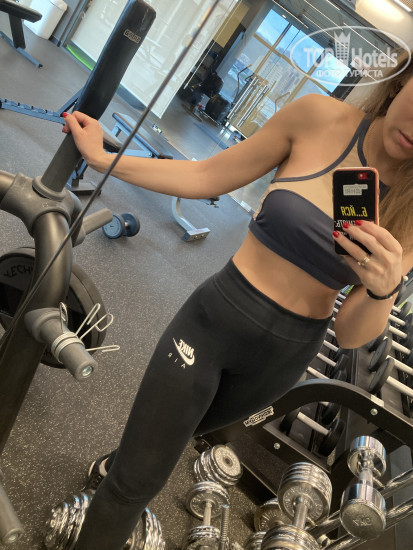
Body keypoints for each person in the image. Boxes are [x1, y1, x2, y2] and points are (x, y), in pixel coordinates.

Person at [61, 50, 413, 550]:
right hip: (215, 322)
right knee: (135, 486)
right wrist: (103, 160)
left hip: (281, 361)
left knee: (167, 441)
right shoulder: (317, 117)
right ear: (401, 82)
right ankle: (118, 482)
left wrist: (383, 287)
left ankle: (122, 464)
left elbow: (352, 333)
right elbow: (206, 176)